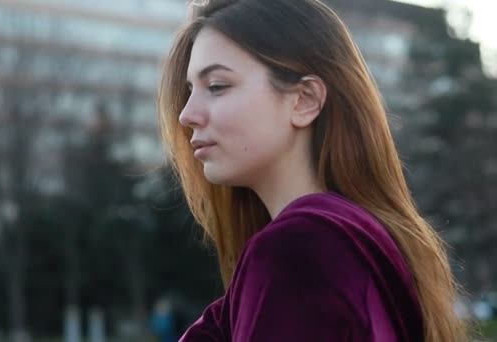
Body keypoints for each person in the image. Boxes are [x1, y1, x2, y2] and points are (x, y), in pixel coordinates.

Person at [157, 0, 469, 341]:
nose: (186, 115)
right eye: (189, 91)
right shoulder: (359, 242)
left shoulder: (295, 253)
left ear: (305, 100)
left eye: (217, 86)